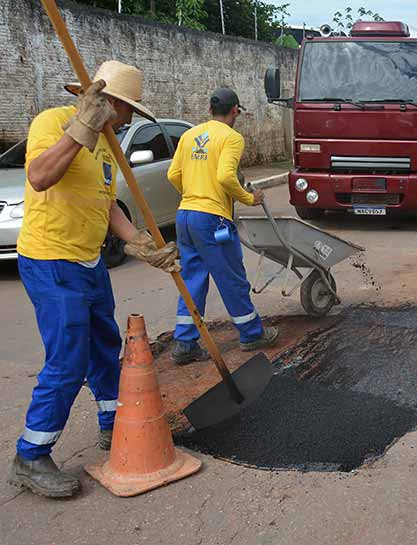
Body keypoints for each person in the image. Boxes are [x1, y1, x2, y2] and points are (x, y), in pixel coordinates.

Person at [10, 61, 179, 498]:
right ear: (110, 103)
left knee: (105, 348)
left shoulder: (108, 147)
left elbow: (107, 206)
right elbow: (41, 176)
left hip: (88, 262)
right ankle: (30, 455)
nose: (126, 122)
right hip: (51, 260)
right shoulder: (53, 122)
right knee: (68, 359)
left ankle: (114, 424)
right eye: (127, 112)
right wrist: (78, 130)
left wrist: (138, 242)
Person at [167, 87, 279, 365]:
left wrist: (193, 194)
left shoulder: (190, 135)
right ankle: (252, 333)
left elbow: (173, 174)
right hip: (212, 219)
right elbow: (227, 177)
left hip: (185, 215)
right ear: (235, 111)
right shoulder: (231, 137)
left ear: (209, 110)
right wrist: (250, 198)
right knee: (231, 277)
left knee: (193, 278)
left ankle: (184, 343)